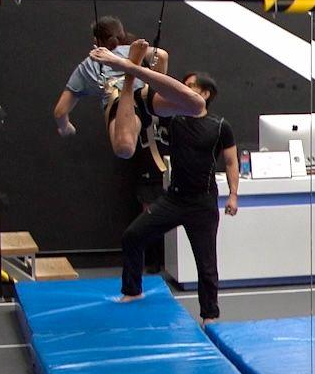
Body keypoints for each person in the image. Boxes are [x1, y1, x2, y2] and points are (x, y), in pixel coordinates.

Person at [88, 51, 233, 320]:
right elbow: (160, 87)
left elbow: (232, 161)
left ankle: (210, 316)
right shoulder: (173, 118)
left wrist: (233, 194)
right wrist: (135, 68)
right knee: (133, 236)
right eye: (184, 85)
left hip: (202, 203)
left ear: (206, 94)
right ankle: (133, 290)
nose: (184, 89)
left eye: (191, 86)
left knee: (206, 263)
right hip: (174, 198)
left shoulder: (219, 126)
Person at [53, 15, 132, 137]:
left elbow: (60, 112)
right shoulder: (140, 50)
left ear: (96, 41)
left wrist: (65, 128)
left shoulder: (88, 66)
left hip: (119, 115)